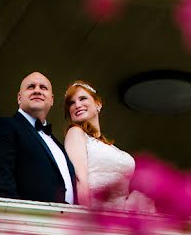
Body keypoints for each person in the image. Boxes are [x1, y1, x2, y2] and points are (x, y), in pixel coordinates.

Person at [0, 71, 78, 204]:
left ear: (52, 100)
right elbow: (0, 181)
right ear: (19, 98)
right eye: (31, 87)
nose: (37, 91)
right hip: (30, 221)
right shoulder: (3, 126)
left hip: (69, 221)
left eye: (43, 87)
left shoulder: (59, 146)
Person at [63, 80, 155, 212]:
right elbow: (80, 180)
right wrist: (87, 222)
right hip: (99, 217)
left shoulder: (111, 148)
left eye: (82, 98)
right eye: (71, 103)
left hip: (123, 216)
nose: (77, 105)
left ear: (98, 104)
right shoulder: (76, 133)